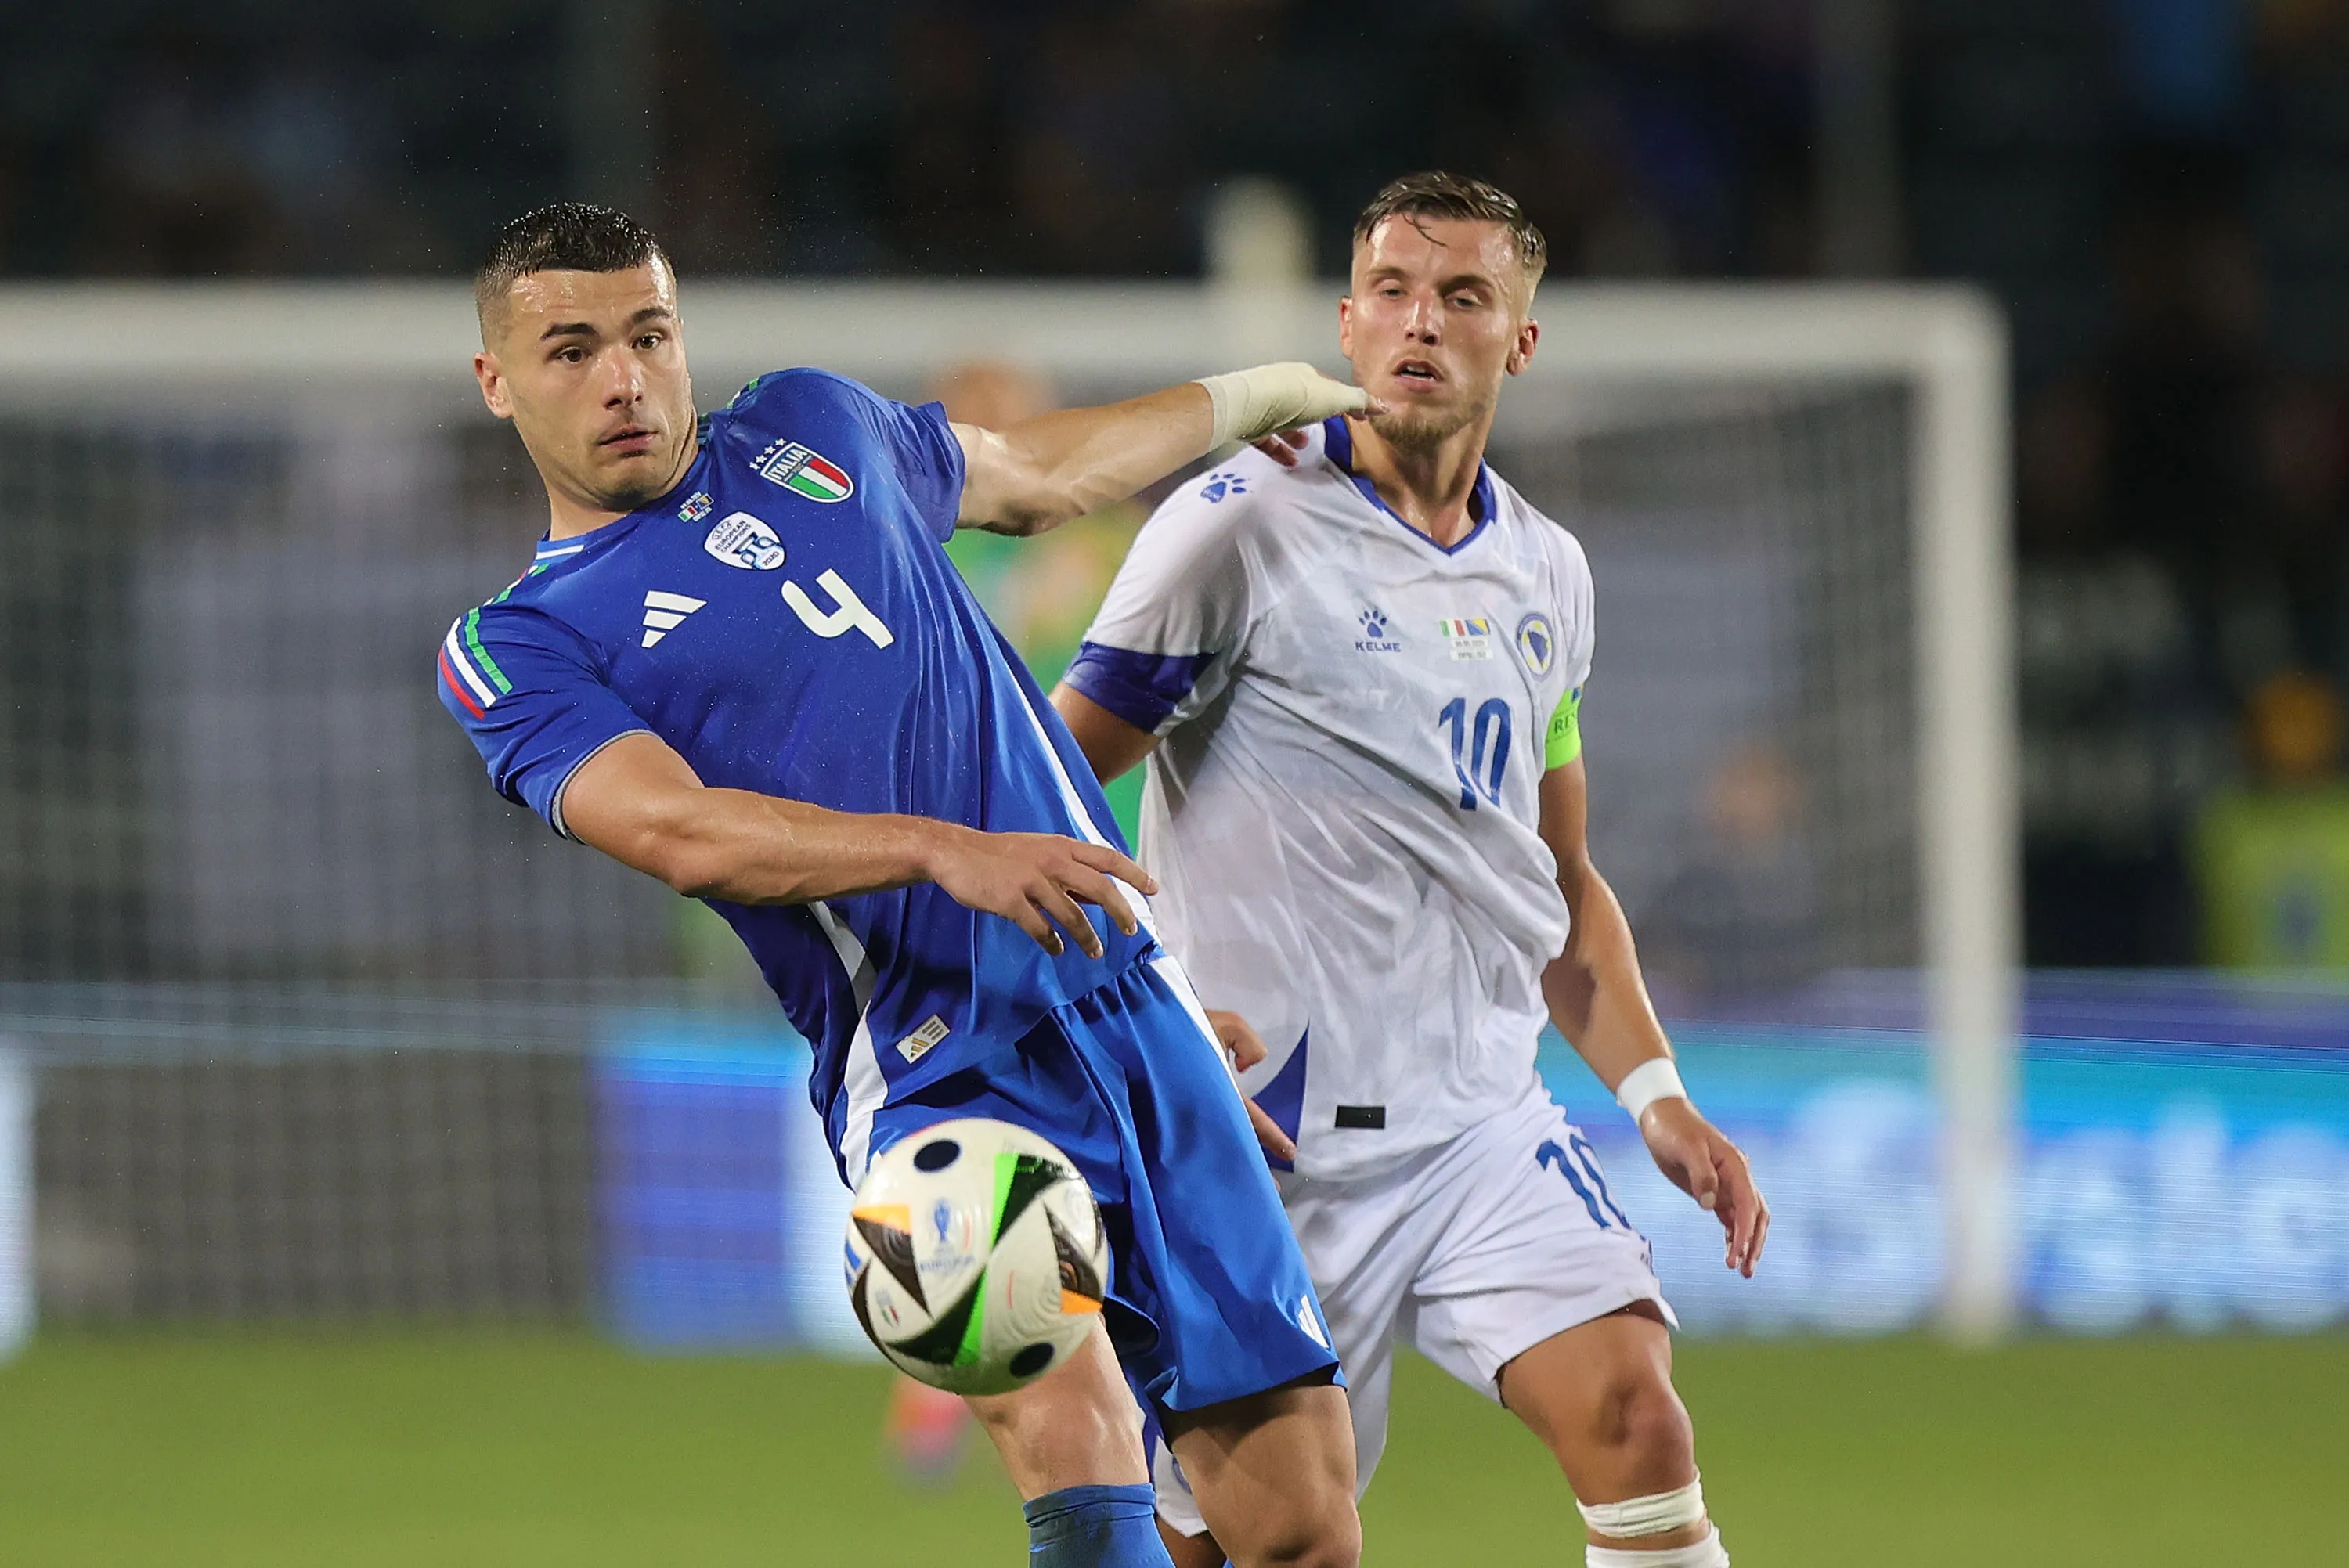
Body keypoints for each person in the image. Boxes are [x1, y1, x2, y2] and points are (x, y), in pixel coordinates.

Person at [436, 203, 1374, 1568]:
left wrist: (1255, 395)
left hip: (1136, 1006)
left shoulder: (812, 424)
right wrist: (942, 848)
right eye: (571, 350)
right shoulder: (520, 640)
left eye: (647, 334)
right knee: (1072, 1425)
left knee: (1298, 1526)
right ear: (497, 383)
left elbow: (1031, 471)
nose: (624, 377)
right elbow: (685, 831)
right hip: (935, 1066)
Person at [1051, 173, 1769, 1568]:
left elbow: (1557, 878)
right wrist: (1140, 1009)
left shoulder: (1549, 571)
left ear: (1522, 339)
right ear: (1346, 316)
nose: (1418, 322)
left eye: (1462, 296)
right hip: (1264, 1145)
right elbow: (1048, 794)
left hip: (1479, 1123)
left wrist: (1659, 1095)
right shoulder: (1233, 526)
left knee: (1637, 1415)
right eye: (1390, 290)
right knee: (1276, 1549)